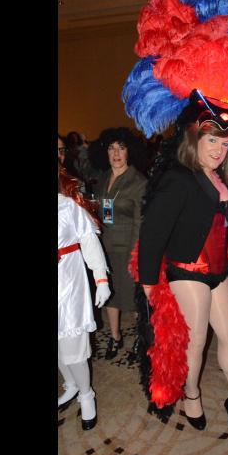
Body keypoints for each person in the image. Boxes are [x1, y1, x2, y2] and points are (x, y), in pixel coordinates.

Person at [136, 92, 228, 433]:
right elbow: (152, 232)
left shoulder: (221, 178)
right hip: (188, 269)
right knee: (195, 342)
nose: (219, 149)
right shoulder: (178, 177)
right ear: (194, 139)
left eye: (224, 143)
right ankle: (191, 394)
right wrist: (149, 283)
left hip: (218, 271)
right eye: (212, 141)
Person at [58, 164, 111, 430]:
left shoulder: (67, 207)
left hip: (69, 283)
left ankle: (87, 394)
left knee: (73, 346)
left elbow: (89, 241)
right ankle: (70, 384)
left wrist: (101, 279)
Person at [91, 127, 147, 360]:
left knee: (132, 298)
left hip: (127, 249)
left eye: (121, 148)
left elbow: (140, 222)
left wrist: (135, 255)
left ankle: (139, 340)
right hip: (104, 248)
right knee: (110, 295)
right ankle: (115, 337)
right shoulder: (102, 177)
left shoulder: (139, 181)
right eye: (111, 148)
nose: (116, 153)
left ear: (129, 152)